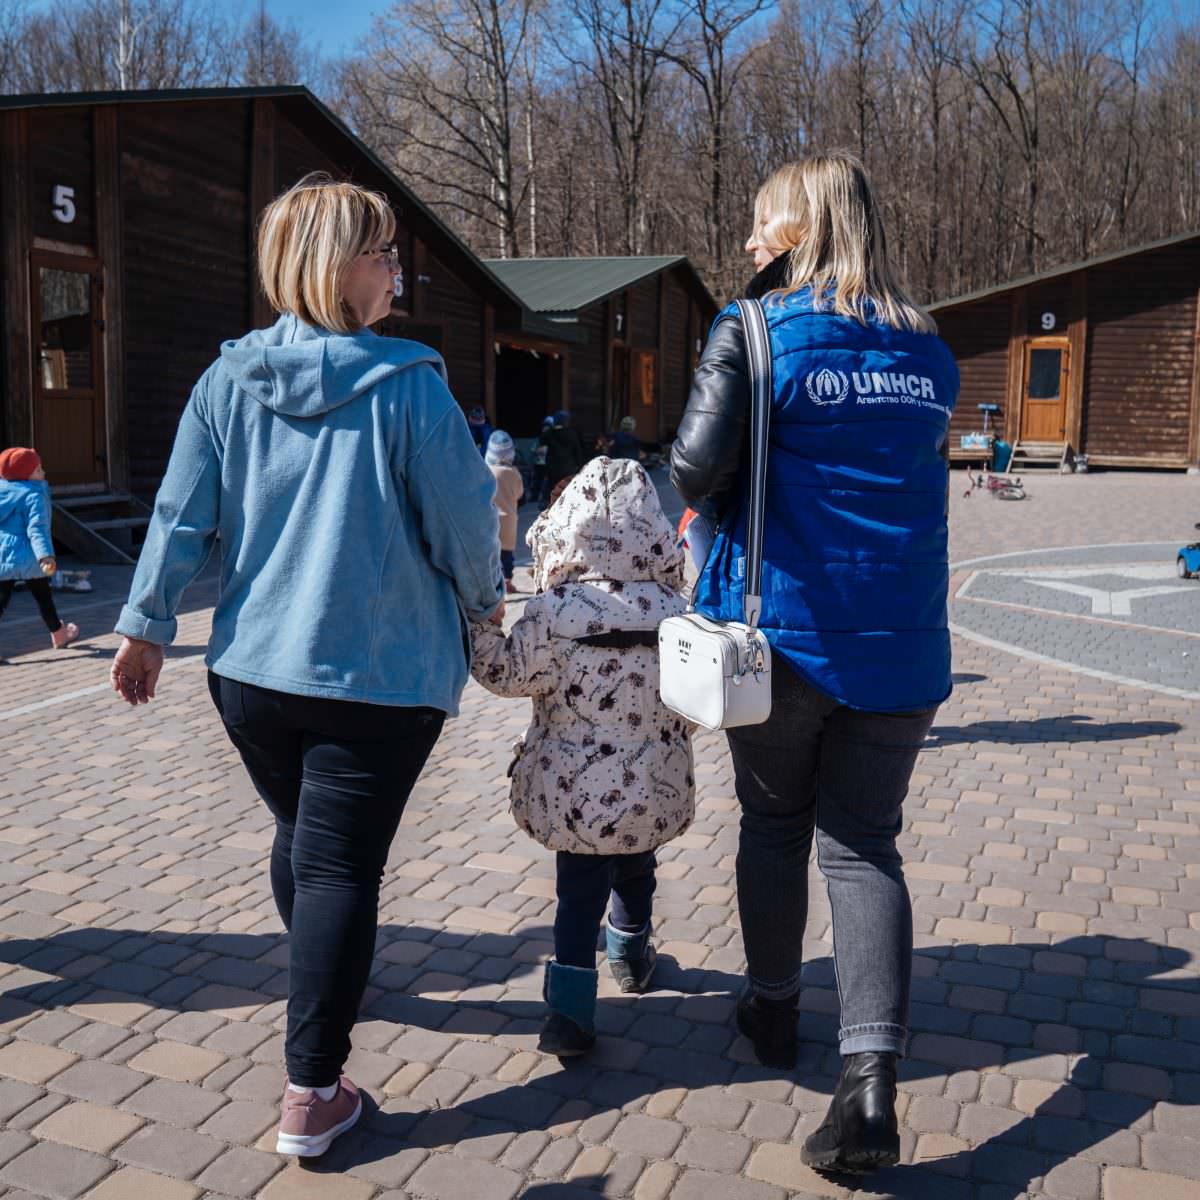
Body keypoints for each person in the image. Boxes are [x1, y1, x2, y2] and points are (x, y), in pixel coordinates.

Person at [109, 172, 504, 1160]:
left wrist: (145, 623)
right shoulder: (412, 387)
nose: (397, 270)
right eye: (383, 252)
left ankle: (324, 972)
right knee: (335, 867)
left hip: (251, 676)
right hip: (376, 679)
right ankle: (313, 1093)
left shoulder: (224, 381)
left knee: (307, 839)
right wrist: (489, 601)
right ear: (336, 267)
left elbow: (179, 515)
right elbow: (464, 527)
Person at [671, 152, 959, 1176]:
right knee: (864, 851)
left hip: (783, 639)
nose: (749, 245)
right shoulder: (931, 350)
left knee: (775, 827)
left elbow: (695, 470)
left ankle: (776, 1010)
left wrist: (738, 343)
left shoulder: (755, 330)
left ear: (795, 231)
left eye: (761, 228)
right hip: (907, 644)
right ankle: (871, 1085)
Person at [471, 457, 695, 1057]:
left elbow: (505, 673)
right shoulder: (678, 613)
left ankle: (569, 1013)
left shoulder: (552, 612)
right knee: (636, 863)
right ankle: (630, 955)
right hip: (651, 782)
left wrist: (482, 628)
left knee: (577, 894)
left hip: (573, 794)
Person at [0, 447, 80, 650]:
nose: (43, 473)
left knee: (1, 601)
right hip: (30, 556)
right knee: (44, 598)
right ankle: (59, 635)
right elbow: (37, 529)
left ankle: (60, 634)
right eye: (38, 470)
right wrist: (45, 556)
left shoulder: (3, 493)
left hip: (3, 555)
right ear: (26, 476)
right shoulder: (33, 495)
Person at [485, 429, 525, 593]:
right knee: (507, 553)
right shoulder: (513, 472)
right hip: (509, 519)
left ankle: (493, 581)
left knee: (492, 553)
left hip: (489, 518)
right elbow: (519, 493)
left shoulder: (486, 471)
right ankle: (507, 579)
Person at [539, 409, 586, 498]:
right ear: (566, 421)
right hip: (569, 468)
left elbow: (541, 441)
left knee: (553, 493)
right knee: (568, 492)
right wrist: (580, 466)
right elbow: (577, 452)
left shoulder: (549, 433)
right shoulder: (572, 433)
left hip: (553, 469)